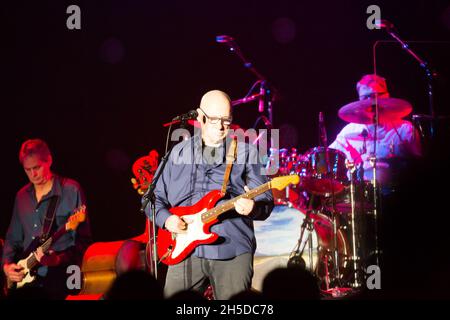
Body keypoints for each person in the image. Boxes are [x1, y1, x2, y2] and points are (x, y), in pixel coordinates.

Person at [147, 90, 274, 300]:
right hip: (184, 249)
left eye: (227, 120)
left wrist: (253, 207)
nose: (221, 126)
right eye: (214, 119)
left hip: (231, 247)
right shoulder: (176, 154)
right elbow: (153, 199)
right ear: (199, 116)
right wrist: (167, 220)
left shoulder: (245, 152)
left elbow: (266, 201)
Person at [2, 139, 92, 299]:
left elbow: (83, 241)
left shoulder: (71, 190)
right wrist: (7, 266)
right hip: (28, 282)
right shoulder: (21, 196)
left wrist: (57, 260)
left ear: (49, 160)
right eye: (27, 170)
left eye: (36, 167)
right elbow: (12, 239)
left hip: (63, 277)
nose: (33, 174)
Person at [329, 74, 422, 187]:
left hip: (398, 196)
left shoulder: (405, 129)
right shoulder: (348, 131)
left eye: (375, 96)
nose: (371, 103)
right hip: (358, 198)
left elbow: (420, 168)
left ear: (386, 96)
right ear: (359, 101)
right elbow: (328, 156)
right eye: (365, 98)